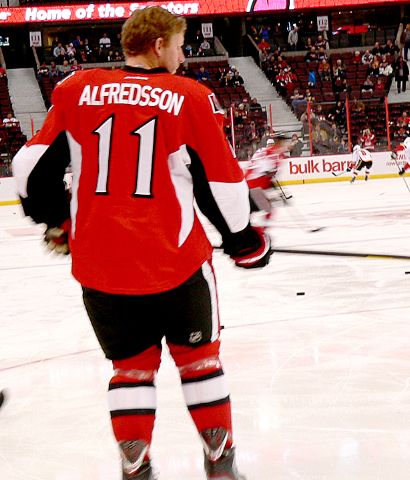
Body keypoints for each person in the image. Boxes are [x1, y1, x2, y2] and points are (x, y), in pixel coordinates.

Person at [12, 7, 271, 480]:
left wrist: (56, 223)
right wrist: (245, 241)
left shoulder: (75, 89)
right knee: (199, 361)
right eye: (178, 44)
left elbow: (30, 173)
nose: (182, 54)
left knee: (130, 368)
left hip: (101, 269)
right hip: (175, 263)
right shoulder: (190, 97)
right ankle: (221, 463)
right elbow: (222, 185)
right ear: (157, 47)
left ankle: (135, 463)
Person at [245, 137, 291, 226]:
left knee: (252, 208)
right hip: (254, 183)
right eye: (286, 143)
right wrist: (277, 193)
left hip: (247, 182)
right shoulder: (275, 154)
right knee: (268, 209)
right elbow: (266, 175)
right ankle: (261, 234)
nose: (288, 145)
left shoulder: (265, 151)